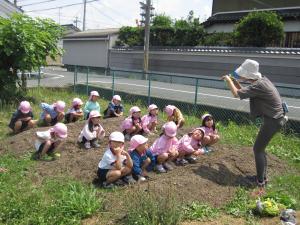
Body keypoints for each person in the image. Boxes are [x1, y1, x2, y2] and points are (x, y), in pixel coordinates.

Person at [222, 59, 288, 190]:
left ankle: (259, 182)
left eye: (243, 74)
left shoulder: (259, 85)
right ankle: (262, 177)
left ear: (248, 75)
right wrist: (236, 81)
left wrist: (229, 81)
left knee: (257, 149)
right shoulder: (262, 81)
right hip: (276, 118)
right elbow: (245, 93)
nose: (241, 76)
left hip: (273, 120)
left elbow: (237, 94)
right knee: (260, 149)